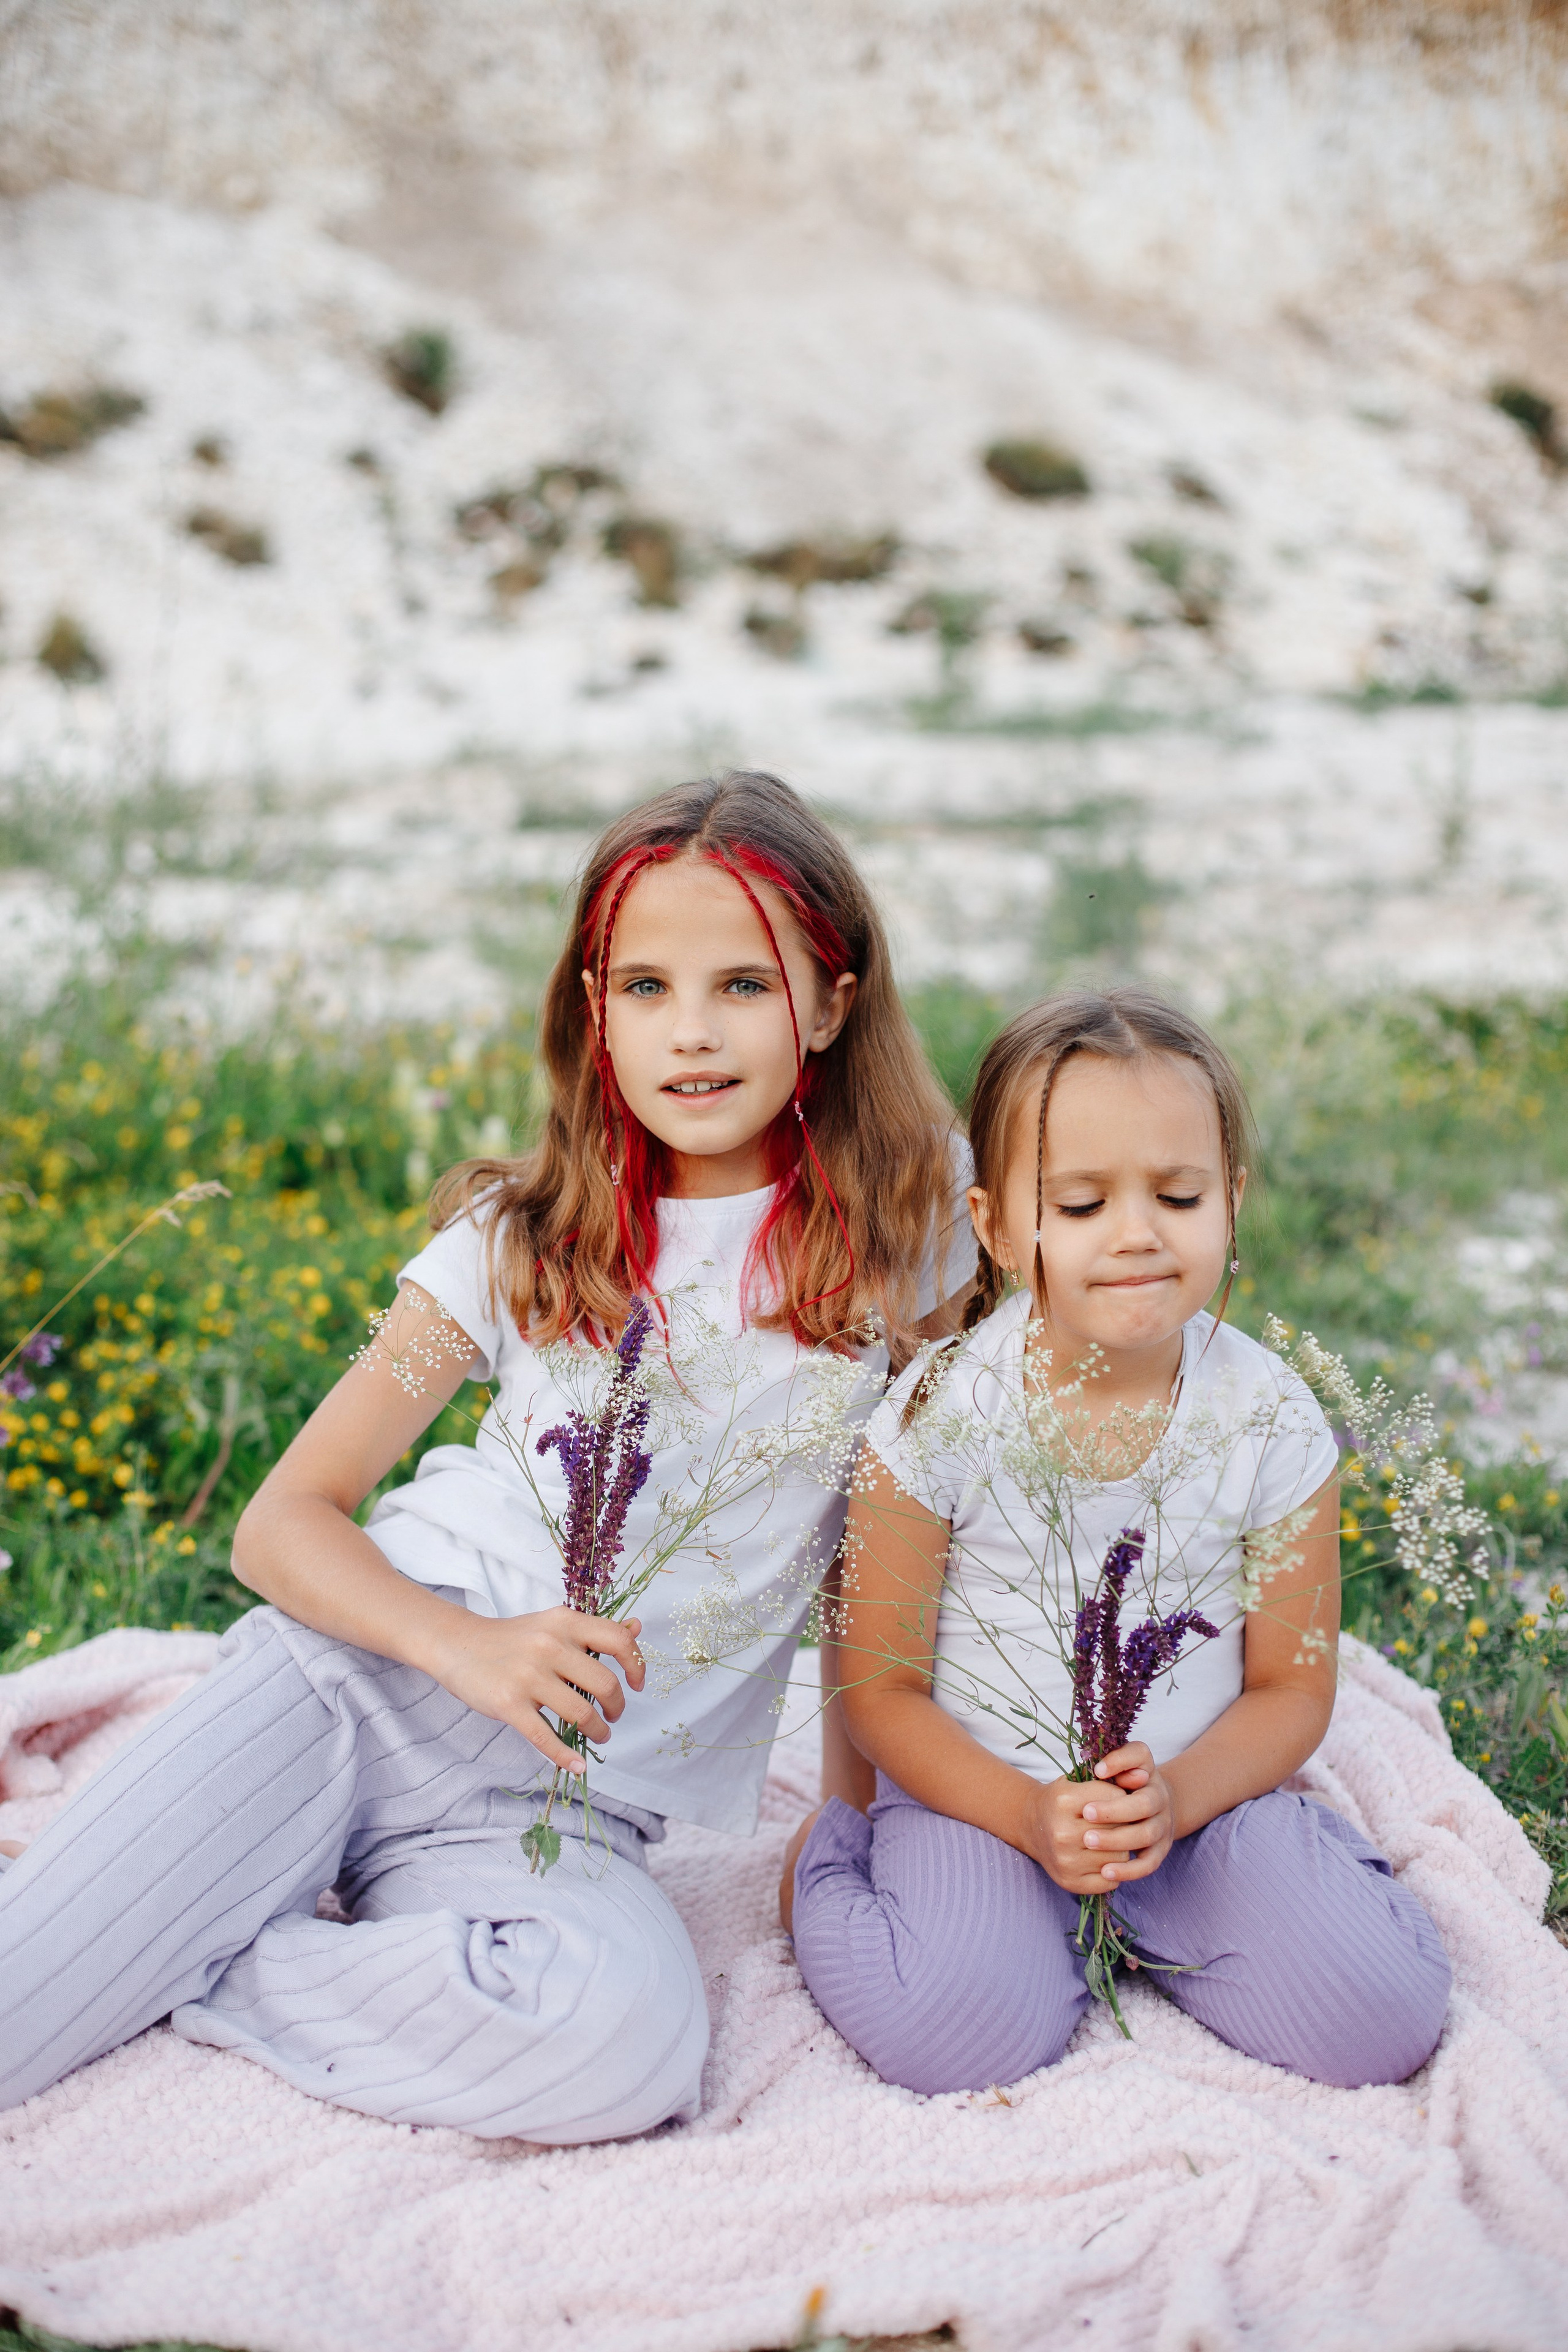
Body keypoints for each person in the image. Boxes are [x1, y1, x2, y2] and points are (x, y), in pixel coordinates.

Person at [0, 770, 973, 2143]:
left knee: (621, 2054)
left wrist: (849, 1820)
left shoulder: (911, 1229)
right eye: (643, 987)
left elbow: (884, 1547)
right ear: (596, 1013)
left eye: (742, 986)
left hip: (571, 1812)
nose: (690, 1034)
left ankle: (199, 1955)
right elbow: (281, 1525)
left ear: (829, 1000)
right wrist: (471, 1651)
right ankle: (132, 1930)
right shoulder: (517, 1243)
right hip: (359, 1695)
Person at [784, 987, 1452, 2097]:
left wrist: (1182, 1800)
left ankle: (1208, 1908)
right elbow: (882, 1685)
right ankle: (831, 1877)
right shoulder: (940, 1413)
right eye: (1082, 1204)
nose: (1137, 1232)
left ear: (1232, 1200)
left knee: (1380, 2014)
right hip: (984, 1804)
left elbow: (1292, 1685)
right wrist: (1026, 1814)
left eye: (1178, 1193)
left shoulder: (1271, 1419)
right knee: (960, 2036)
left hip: (1191, 1807)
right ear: (997, 1226)